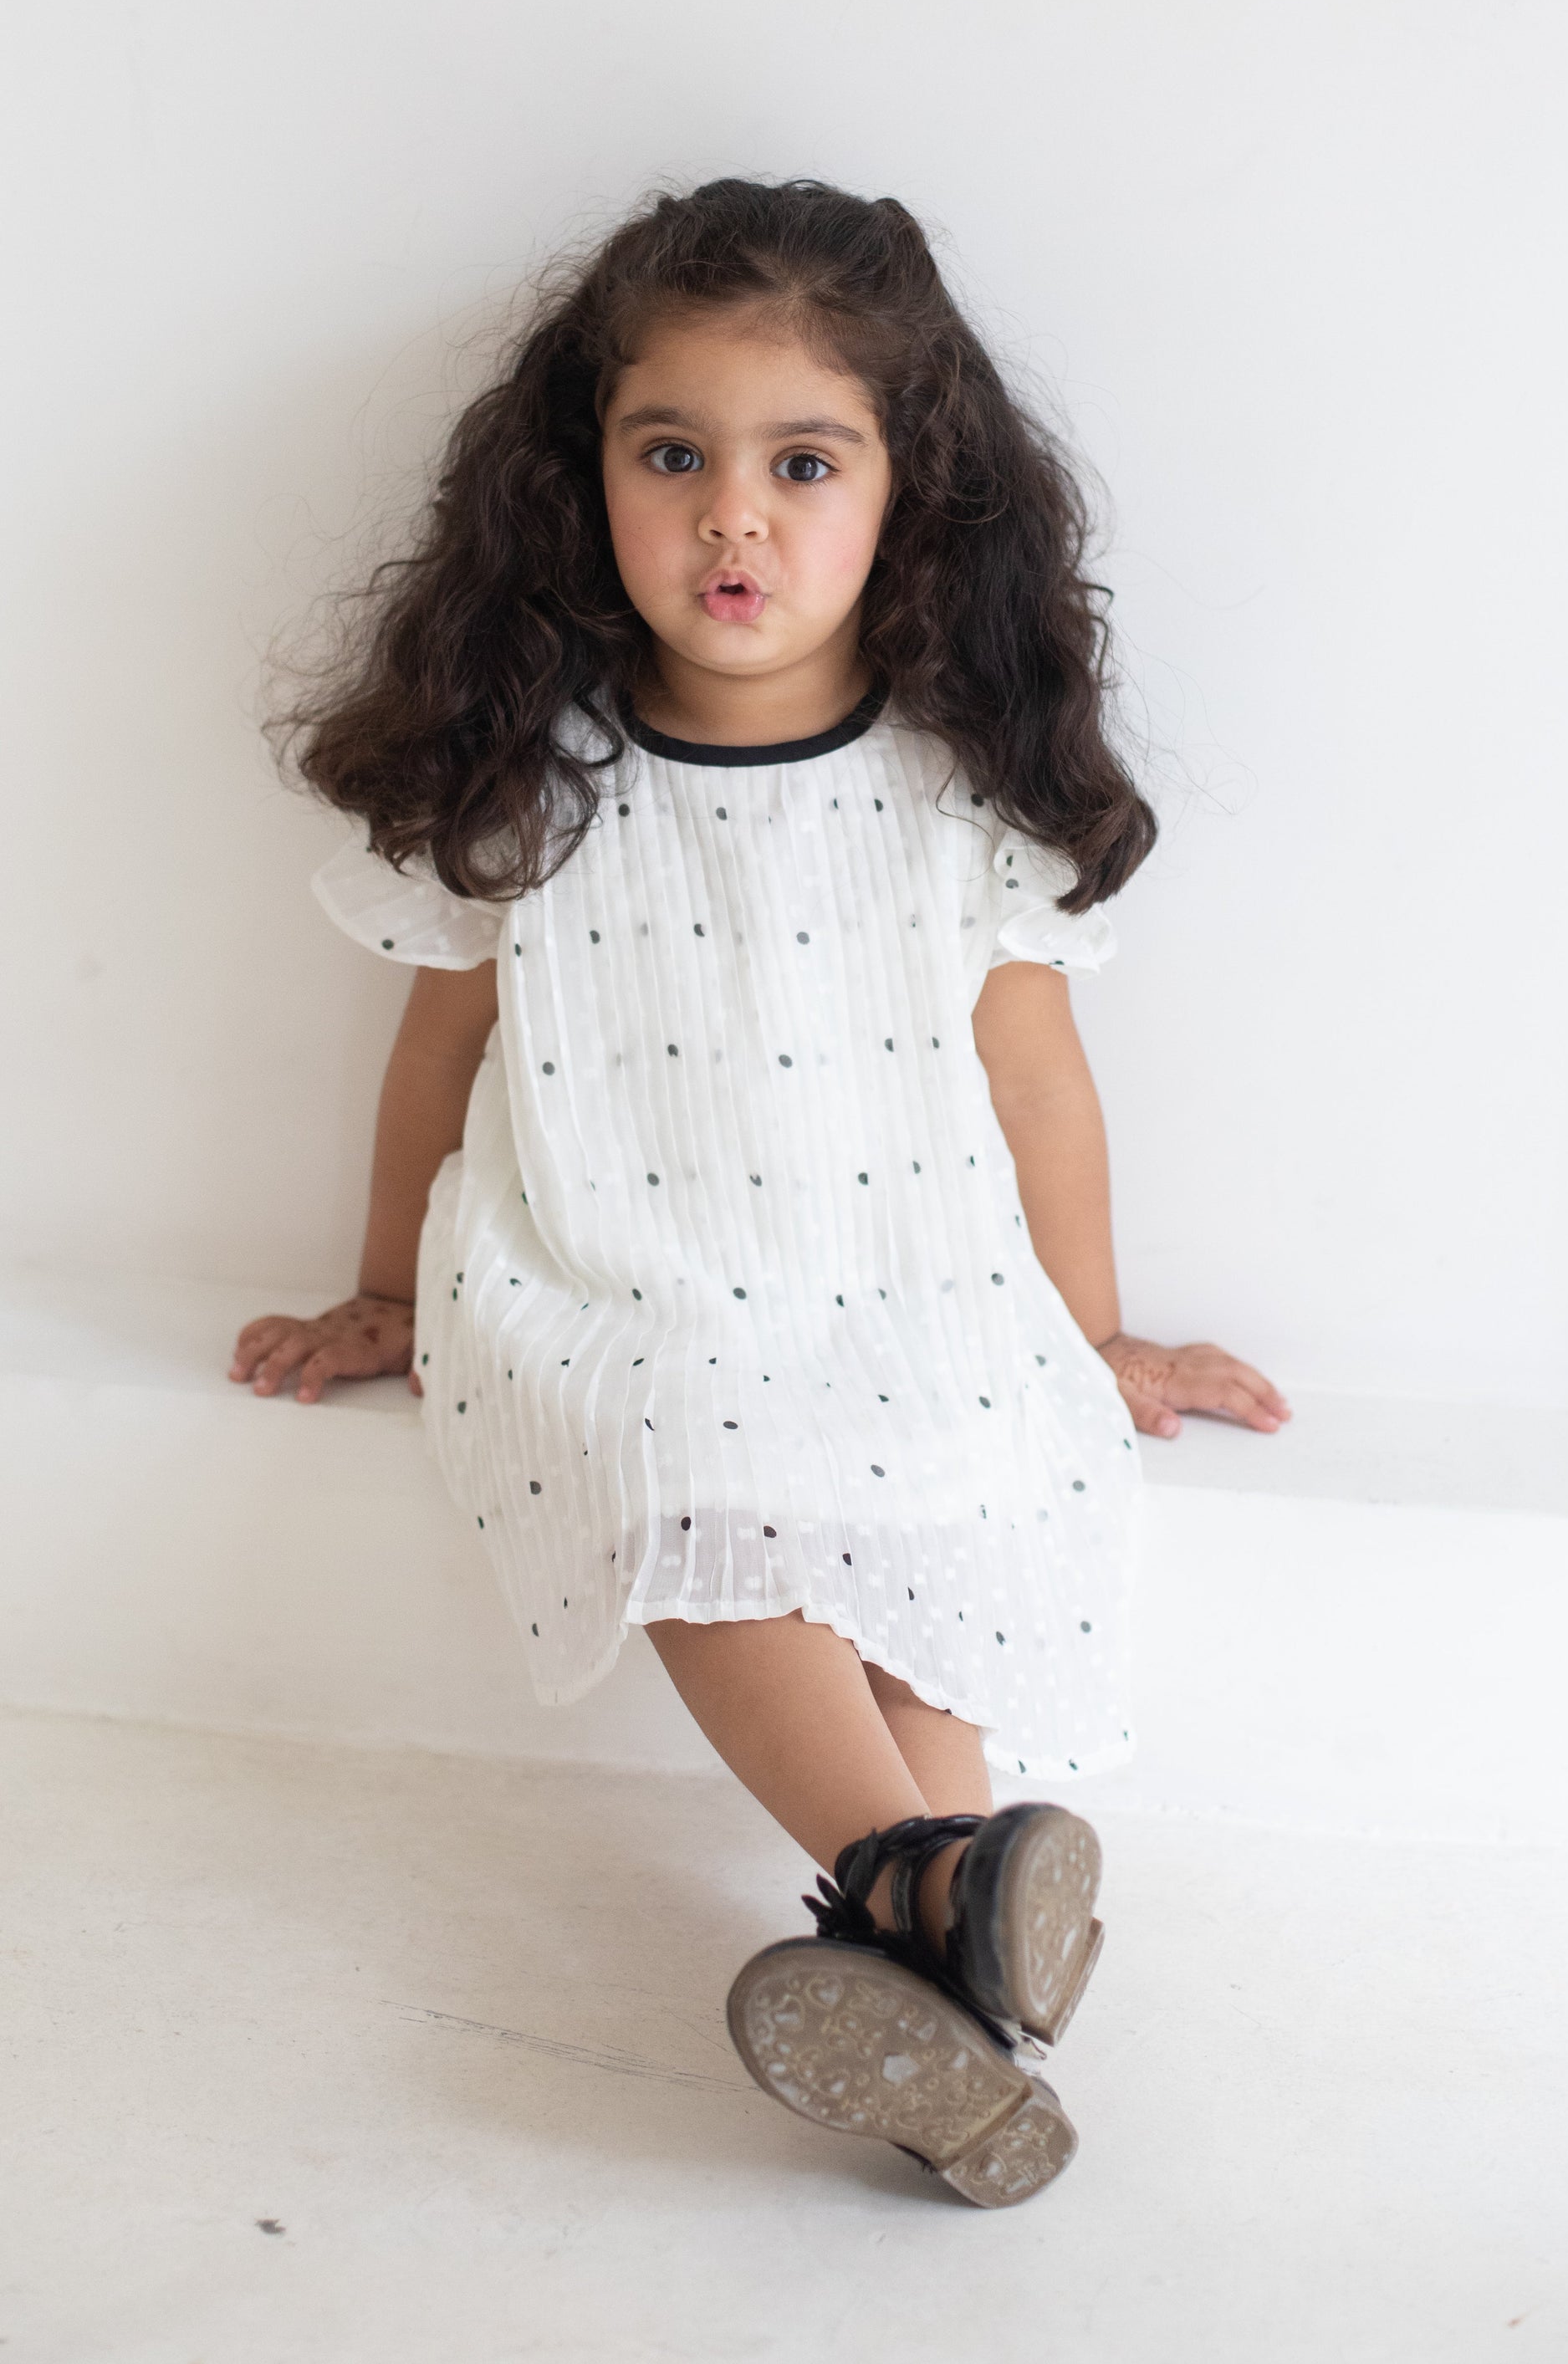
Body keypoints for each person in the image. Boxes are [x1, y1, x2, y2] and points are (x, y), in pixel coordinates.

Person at [230, 177, 1291, 2207]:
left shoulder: (952, 792)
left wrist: (1085, 1334)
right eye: (673, 456)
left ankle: (941, 2004)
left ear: (909, 492)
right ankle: (927, 1880)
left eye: (802, 461)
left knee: (952, 1513)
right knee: (708, 1478)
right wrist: (387, 1289)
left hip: (905, 1269)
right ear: (586, 483)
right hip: (615, 1277)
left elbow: (1035, 1084)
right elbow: (440, 1056)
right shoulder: (529, 783)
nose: (734, 515)